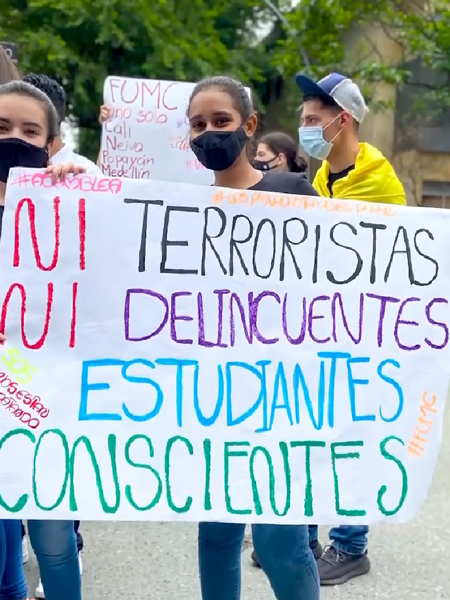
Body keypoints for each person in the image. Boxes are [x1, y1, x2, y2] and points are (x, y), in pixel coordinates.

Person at [187, 75, 320, 600]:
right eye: (198, 125)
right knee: (216, 533)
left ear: (248, 125)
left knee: (279, 537)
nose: (209, 133)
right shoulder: (178, 207)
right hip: (209, 396)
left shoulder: (290, 192)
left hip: (281, 395)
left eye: (220, 122)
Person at [295, 71, 406, 586]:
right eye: (303, 120)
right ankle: (307, 539)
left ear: (343, 121)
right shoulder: (320, 181)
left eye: (314, 120)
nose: (306, 128)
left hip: (364, 338)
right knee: (315, 434)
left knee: (352, 439)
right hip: (320, 333)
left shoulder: (379, 183)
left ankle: (351, 544)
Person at [0, 80, 86, 600]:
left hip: (45, 406)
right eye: (1, 128)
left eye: (30, 131)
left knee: (54, 541)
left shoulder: (71, 204)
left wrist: (84, 195)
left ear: (52, 145)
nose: (14, 139)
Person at [22, 73, 100, 173]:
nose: (15, 136)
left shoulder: (89, 173)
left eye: (30, 130)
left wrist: (73, 186)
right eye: (4, 127)